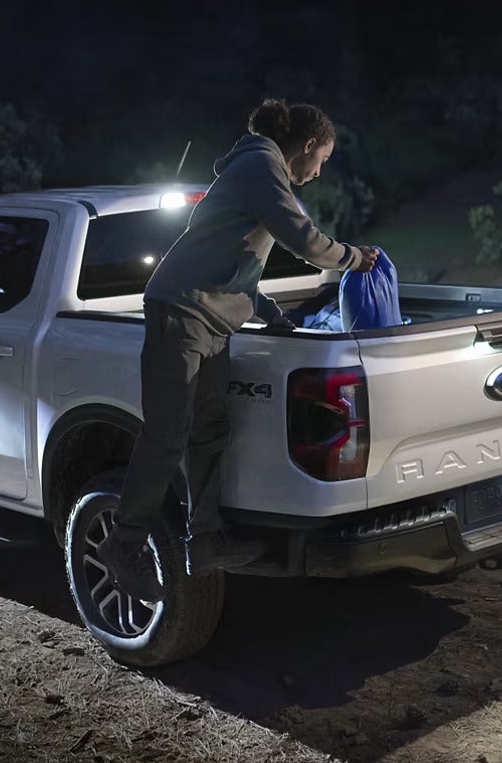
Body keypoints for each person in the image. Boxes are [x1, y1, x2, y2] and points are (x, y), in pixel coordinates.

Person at [97, 99, 379, 601]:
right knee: (167, 435)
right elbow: (304, 239)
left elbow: (234, 260)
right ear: (308, 144)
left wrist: (270, 313)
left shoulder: (257, 170)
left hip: (212, 318)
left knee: (209, 430)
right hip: (180, 312)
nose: (319, 172)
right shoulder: (261, 165)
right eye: (324, 159)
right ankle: (124, 544)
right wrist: (355, 258)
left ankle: (205, 540)